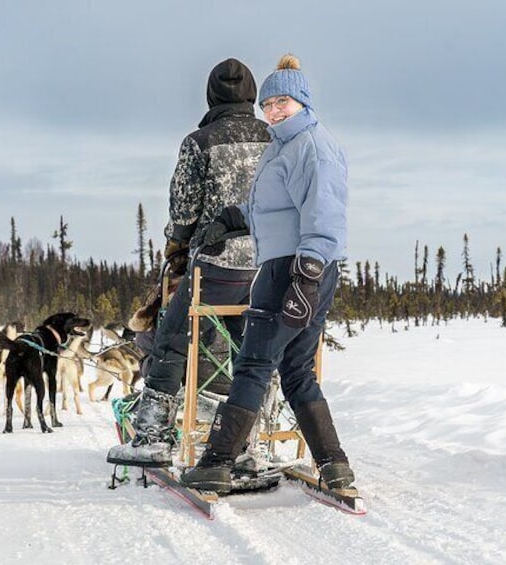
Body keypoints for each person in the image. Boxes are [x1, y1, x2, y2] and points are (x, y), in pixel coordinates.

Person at [180, 54, 356, 492]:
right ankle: (334, 465)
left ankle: (218, 461)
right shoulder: (284, 146)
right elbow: (276, 210)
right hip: (289, 265)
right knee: (296, 369)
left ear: (303, 102)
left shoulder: (314, 148)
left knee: (254, 362)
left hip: (296, 270)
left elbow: (325, 216)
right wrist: (233, 219)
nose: (274, 110)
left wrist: (306, 276)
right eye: (269, 103)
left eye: (284, 103)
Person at [107, 58, 270, 467]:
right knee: (245, 352)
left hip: (214, 267)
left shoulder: (199, 142)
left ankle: (153, 436)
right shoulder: (275, 139)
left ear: (211, 96)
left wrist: (176, 246)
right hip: (265, 268)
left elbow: (183, 210)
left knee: (170, 340)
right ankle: (247, 441)